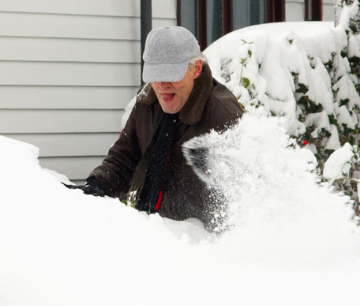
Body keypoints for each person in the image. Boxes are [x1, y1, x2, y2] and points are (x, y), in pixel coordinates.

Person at [81, 25, 242, 227]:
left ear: (196, 69)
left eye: (171, 74)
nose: (162, 84)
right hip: (155, 229)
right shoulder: (148, 100)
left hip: (198, 238)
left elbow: (239, 196)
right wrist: (97, 184)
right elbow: (125, 158)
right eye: (156, 74)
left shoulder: (223, 114)